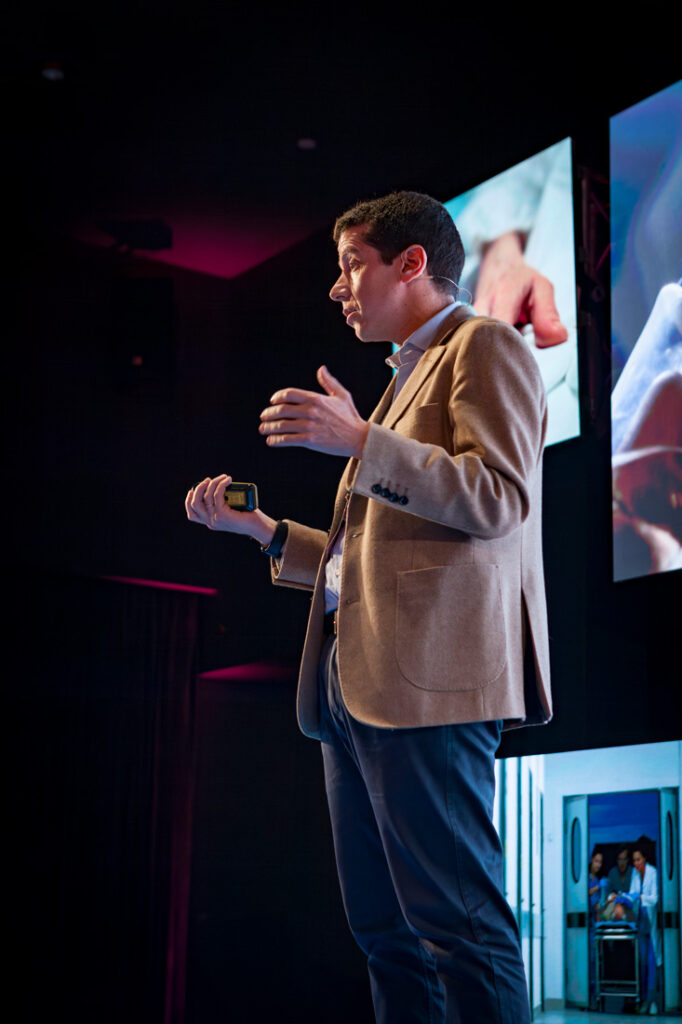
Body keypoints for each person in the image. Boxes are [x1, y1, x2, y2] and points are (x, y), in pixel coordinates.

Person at [186, 191, 552, 1023]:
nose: (337, 287)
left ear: (411, 263)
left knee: (460, 930)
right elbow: (370, 559)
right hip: (357, 690)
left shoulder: (483, 346)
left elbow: (498, 500)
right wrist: (264, 531)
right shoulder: (401, 380)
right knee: (387, 937)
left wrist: (361, 443)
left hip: (430, 685)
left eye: (353, 265)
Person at [628, 846, 661, 1015]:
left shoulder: (653, 873)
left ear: (644, 860)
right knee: (641, 963)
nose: (636, 864)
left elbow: (654, 899)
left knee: (651, 962)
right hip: (640, 924)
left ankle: (652, 1001)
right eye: (634, 861)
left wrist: (640, 897)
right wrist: (628, 898)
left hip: (650, 923)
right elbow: (632, 894)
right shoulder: (635, 874)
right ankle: (642, 1000)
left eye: (638, 860)